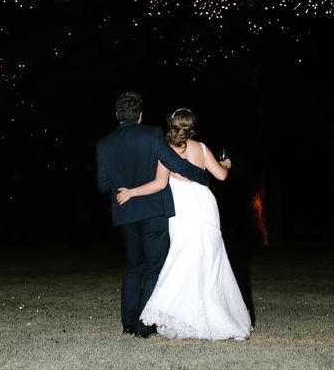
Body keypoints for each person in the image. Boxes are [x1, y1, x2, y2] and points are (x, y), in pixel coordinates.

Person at [116, 108, 252, 341]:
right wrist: (226, 164)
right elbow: (221, 176)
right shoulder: (201, 148)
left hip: (182, 210)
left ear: (172, 124)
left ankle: (180, 313)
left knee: (184, 256)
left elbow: (159, 184)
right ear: (192, 125)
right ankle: (203, 314)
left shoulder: (166, 150)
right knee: (209, 258)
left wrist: (131, 192)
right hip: (205, 206)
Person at [96, 92, 209, 339]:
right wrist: (204, 176)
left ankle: (128, 323)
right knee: (154, 267)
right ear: (140, 116)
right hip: (154, 211)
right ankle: (144, 324)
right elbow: (175, 164)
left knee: (134, 266)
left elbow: (103, 185)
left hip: (126, 211)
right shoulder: (151, 134)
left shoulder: (104, 144)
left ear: (117, 115)